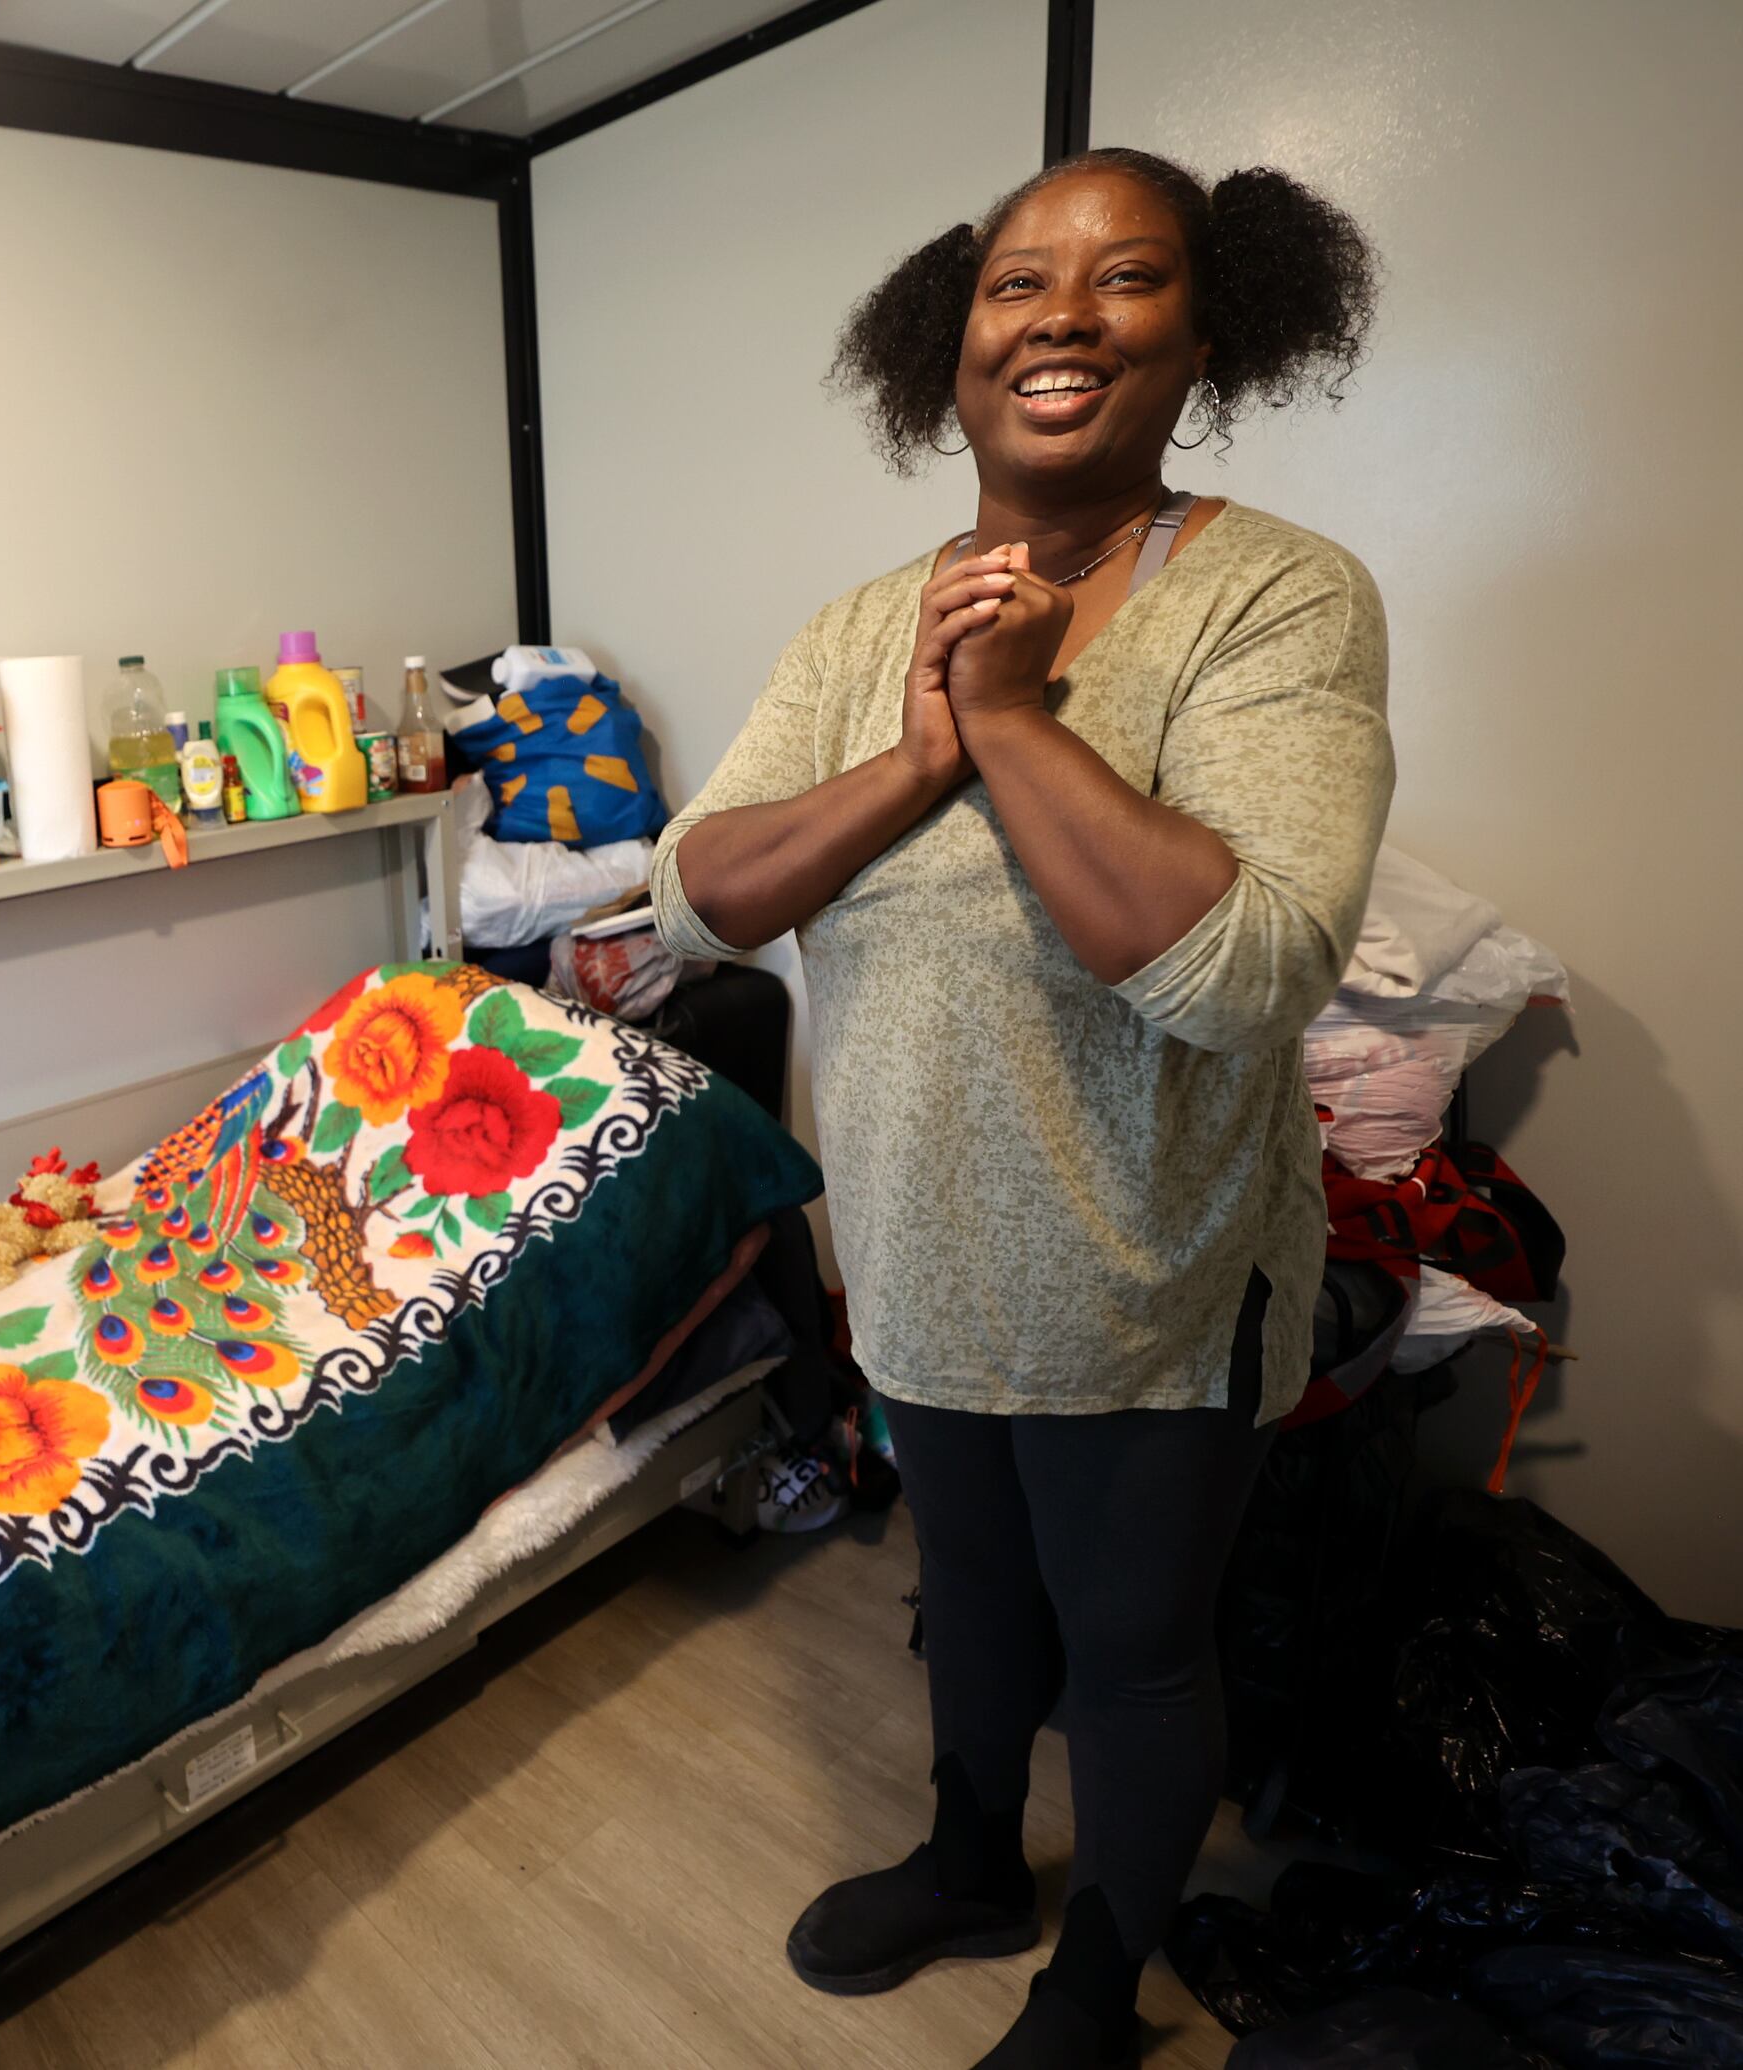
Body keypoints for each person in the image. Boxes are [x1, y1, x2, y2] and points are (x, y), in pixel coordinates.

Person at [650, 148, 1388, 2068]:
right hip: (914, 1249)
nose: (1061, 314)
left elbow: (1245, 968)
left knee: (1135, 1650)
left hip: (1148, 1282)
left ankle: (1097, 1980)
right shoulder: (859, 626)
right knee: (964, 1597)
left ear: (1208, 326)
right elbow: (706, 890)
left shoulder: (1279, 601)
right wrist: (917, 747)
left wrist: (1018, 720)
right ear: (950, 344)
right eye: (1013, 285)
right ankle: (977, 1857)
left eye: (1125, 277)